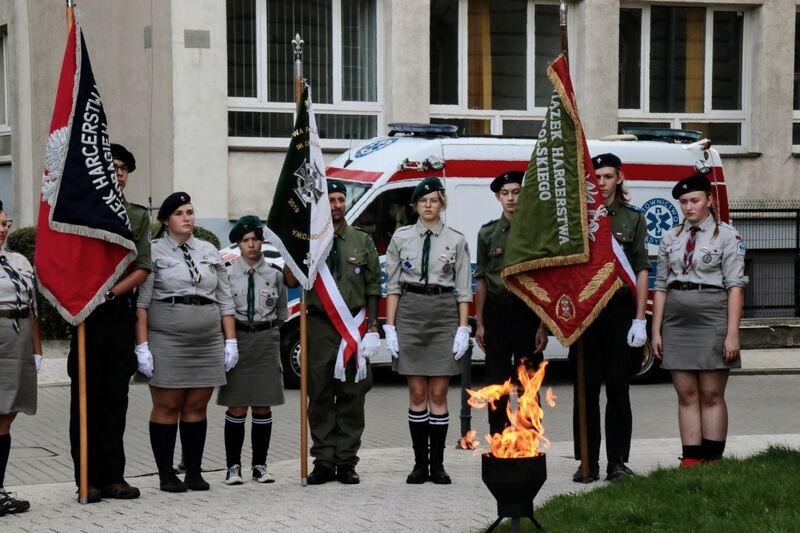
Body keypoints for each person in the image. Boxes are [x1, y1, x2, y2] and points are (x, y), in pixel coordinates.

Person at [135, 192, 238, 492]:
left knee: (196, 404)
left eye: (190, 212)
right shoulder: (153, 252)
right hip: (168, 338)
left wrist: (230, 341)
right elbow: (141, 303)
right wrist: (142, 346)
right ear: (166, 220)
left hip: (207, 340)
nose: (187, 218)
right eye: (180, 213)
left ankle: (193, 470)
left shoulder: (208, 250)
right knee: (168, 404)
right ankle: (166, 474)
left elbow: (225, 299)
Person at [66, 143, 151, 503]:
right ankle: (87, 478)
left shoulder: (137, 215)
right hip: (86, 313)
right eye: (112, 167)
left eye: (123, 169)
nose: (118, 174)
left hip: (117, 313)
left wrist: (111, 293)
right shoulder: (81, 210)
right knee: (87, 398)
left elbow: (143, 267)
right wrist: (89, 296)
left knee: (116, 399)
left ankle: (114, 476)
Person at [284, 180, 381, 485]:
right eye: (331, 200)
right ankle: (323, 460)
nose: (337, 205)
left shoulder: (362, 242)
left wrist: (373, 329)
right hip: (319, 326)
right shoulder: (309, 241)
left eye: (341, 200)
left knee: (353, 395)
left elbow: (373, 287)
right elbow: (289, 281)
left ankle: (347, 461)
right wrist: (292, 248)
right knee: (321, 394)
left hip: (353, 327)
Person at [651, 173, 747, 467]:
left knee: (711, 393)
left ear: (709, 200)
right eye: (683, 202)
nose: (689, 207)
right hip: (677, 320)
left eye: (694, 200)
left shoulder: (727, 235)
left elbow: (735, 286)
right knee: (687, 393)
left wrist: (733, 334)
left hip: (712, 315)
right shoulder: (671, 237)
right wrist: (656, 330)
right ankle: (691, 459)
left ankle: (713, 460)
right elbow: (662, 285)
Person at [384, 177, 472, 485]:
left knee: (438, 393)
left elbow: (463, 289)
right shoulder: (401, 237)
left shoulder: (456, 240)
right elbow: (393, 285)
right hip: (410, 312)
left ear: (442, 203)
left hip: (443, 312)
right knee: (417, 392)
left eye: (434, 200)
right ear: (415, 206)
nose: (428, 206)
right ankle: (420, 464)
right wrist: (390, 327)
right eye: (423, 201)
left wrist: (463, 328)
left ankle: (439, 465)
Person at [570, 153, 651, 482]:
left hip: (618, 309)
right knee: (585, 389)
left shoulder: (632, 219)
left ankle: (617, 461)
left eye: (606, 177)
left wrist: (639, 318)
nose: (601, 183)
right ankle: (586, 461)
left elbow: (642, 269)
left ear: (619, 178)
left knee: (618, 387)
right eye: (596, 177)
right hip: (587, 312)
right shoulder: (580, 219)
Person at [475, 171, 549, 435]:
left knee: (529, 380)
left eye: (516, 192)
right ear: (497, 197)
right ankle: (499, 437)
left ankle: (529, 439)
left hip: (527, 313)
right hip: (497, 313)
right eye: (505, 193)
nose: (511, 198)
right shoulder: (487, 234)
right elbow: (482, 279)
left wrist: (543, 324)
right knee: (496, 381)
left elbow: (545, 280)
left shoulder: (537, 234)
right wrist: (480, 322)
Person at [218, 216, 287, 485]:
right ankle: (232, 466)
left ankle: (260, 465)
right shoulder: (226, 274)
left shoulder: (274, 275)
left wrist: (266, 330)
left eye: (255, 239)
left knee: (262, 406)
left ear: (262, 241)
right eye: (245, 240)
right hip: (238, 340)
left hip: (264, 339)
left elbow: (280, 313)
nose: (251, 245)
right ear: (238, 244)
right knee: (237, 407)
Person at [0, 202, 41, 515]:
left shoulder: (19, 260)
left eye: (5, 223)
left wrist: (37, 349)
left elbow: (33, 306)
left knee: (9, 413)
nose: (3, 229)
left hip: (20, 336)